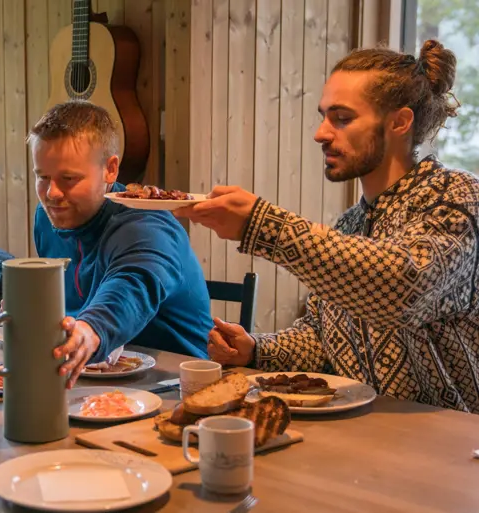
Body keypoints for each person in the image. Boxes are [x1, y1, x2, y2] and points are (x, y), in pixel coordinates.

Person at [177, 40, 479, 413]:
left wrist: (264, 225)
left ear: (399, 122)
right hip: (366, 436)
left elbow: (404, 286)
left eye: (342, 118)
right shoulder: (352, 223)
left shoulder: (456, 196)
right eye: (324, 116)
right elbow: (324, 338)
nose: (321, 133)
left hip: (449, 449)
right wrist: (257, 349)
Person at [29, 100, 212, 388]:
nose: (52, 193)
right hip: (87, 375)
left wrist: (91, 329)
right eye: (42, 177)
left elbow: (132, 284)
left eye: (68, 178)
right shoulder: (47, 218)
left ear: (110, 170)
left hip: (174, 384)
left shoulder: (147, 224)